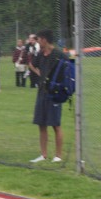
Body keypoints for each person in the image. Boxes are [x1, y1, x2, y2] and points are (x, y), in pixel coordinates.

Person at [29, 29, 65, 163]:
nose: (37, 42)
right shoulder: (40, 54)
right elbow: (31, 65)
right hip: (42, 92)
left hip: (54, 94)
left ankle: (58, 156)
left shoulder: (59, 54)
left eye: (38, 39)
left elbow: (68, 69)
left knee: (55, 125)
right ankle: (43, 155)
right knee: (41, 124)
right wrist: (40, 74)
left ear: (44, 39)